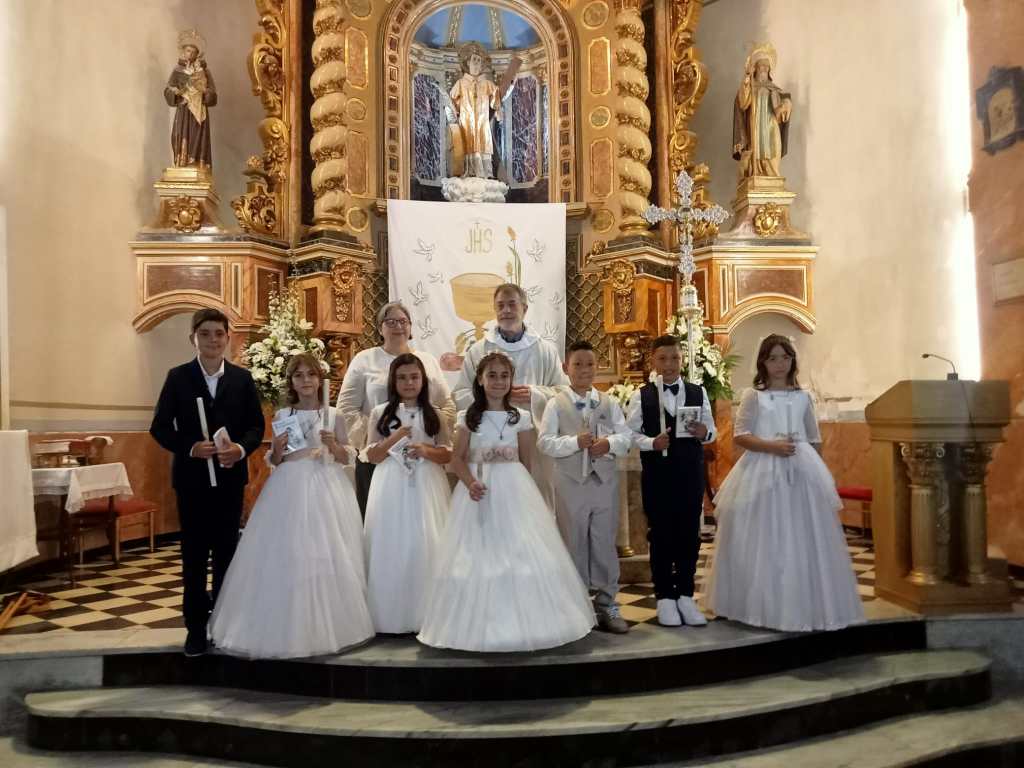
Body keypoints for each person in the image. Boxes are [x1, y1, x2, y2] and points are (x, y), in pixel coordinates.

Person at [418, 352, 594, 652]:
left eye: (504, 376)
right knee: (477, 553)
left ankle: (532, 621)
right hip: (478, 487)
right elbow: (456, 459)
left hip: (514, 487)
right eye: (492, 375)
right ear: (480, 379)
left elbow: (526, 461)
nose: (498, 381)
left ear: (511, 380)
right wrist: (470, 482)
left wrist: (524, 495)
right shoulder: (467, 417)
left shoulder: (521, 418)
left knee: (520, 552)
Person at [208, 354, 374, 658]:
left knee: (327, 550)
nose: (306, 380)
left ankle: (328, 623)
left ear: (320, 379)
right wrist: (277, 450)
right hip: (289, 486)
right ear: (291, 382)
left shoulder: (333, 414)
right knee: (289, 550)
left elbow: (347, 456)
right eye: (299, 375)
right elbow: (276, 460)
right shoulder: (284, 414)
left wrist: (333, 445)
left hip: (326, 485)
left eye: (311, 374)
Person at [704, 335, 864, 631]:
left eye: (785, 357)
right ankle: (758, 606)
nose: (780, 364)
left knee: (801, 537)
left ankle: (805, 605)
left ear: (793, 360)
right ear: (763, 363)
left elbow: (813, 438)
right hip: (762, 469)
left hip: (801, 470)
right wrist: (772, 447)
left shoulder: (804, 397)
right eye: (773, 358)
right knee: (764, 537)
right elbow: (741, 435)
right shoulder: (754, 396)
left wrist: (814, 473)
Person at [150, 308, 264, 657]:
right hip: (193, 482)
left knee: (227, 553)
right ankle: (196, 628)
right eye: (205, 334)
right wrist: (190, 447)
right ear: (193, 339)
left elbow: (255, 426)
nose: (212, 340)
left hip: (229, 479)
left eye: (218, 334)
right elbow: (160, 427)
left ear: (228, 338)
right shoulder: (178, 377)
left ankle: (226, 623)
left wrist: (240, 450)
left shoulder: (242, 379)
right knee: (195, 555)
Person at [537, 341, 632, 634]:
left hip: (603, 483)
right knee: (573, 540)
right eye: (577, 364)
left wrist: (609, 444)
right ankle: (576, 605)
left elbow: (625, 437)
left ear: (597, 367)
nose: (584, 370)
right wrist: (574, 443)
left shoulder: (608, 402)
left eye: (589, 364)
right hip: (570, 483)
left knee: (604, 541)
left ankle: (607, 603)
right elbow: (545, 442)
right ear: (566, 368)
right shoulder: (556, 404)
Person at [626, 335, 717, 628]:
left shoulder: (697, 392)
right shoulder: (642, 396)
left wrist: (704, 432)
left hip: (689, 473)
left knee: (689, 534)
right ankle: (665, 596)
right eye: (662, 358)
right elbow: (630, 434)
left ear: (682, 359)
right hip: (658, 475)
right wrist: (652, 442)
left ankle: (686, 596)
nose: (669, 364)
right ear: (653, 360)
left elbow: (711, 431)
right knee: (661, 534)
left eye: (674, 358)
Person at [453, 283, 568, 508]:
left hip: (533, 438)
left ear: (524, 308)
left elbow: (564, 393)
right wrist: (490, 398)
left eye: (512, 304)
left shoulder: (544, 350)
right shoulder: (478, 350)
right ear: (494, 309)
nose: (506, 310)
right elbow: (460, 394)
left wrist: (535, 394)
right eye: (500, 305)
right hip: (487, 440)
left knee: (533, 502)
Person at [337, 301, 454, 515]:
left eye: (403, 321)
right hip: (379, 456)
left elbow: (446, 405)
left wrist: (429, 431)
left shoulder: (427, 360)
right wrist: (376, 440)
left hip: (424, 459)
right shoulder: (364, 359)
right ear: (380, 327)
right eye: (390, 322)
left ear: (410, 327)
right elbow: (346, 408)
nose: (398, 326)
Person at [363, 354, 452, 634]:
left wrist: (425, 450)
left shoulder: (434, 414)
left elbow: (448, 454)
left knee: (426, 541)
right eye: (402, 377)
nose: (409, 383)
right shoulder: (380, 413)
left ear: (423, 380)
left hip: (427, 484)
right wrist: (396, 437)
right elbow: (372, 456)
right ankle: (390, 614)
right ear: (393, 381)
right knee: (392, 543)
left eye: (414, 377)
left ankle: (427, 615)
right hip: (390, 484)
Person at [447, 42, 506, 179]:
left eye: (479, 61)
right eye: (474, 59)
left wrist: (497, 108)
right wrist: (455, 111)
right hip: (466, 121)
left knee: (483, 141)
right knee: (467, 143)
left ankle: (485, 172)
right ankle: (469, 171)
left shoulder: (487, 83)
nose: (476, 63)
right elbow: (451, 100)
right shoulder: (461, 83)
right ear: (468, 63)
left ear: (482, 65)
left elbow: (495, 99)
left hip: (482, 121)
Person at [732, 45, 792, 179]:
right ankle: (756, 171)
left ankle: (772, 174)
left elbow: (782, 108)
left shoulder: (774, 89)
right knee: (756, 149)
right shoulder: (751, 87)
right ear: (755, 68)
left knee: (773, 148)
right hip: (756, 126)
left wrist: (787, 104)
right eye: (761, 66)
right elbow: (743, 102)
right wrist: (747, 79)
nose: (764, 69)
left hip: (771, 126)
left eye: (766, 66)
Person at [164, 29, 217, 169]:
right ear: (183, 52)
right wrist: (175, 92)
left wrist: (204, 92)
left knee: (197, 135)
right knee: (180, 133)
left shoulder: (204, 71)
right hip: (184, 109)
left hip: (199, 110)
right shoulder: (178, 70)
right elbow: (168, 90)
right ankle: (182, 161)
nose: (190, 54)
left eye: (194, 52)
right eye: (188, 51)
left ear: (197, 54)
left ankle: (196, 162)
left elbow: (213, 94)